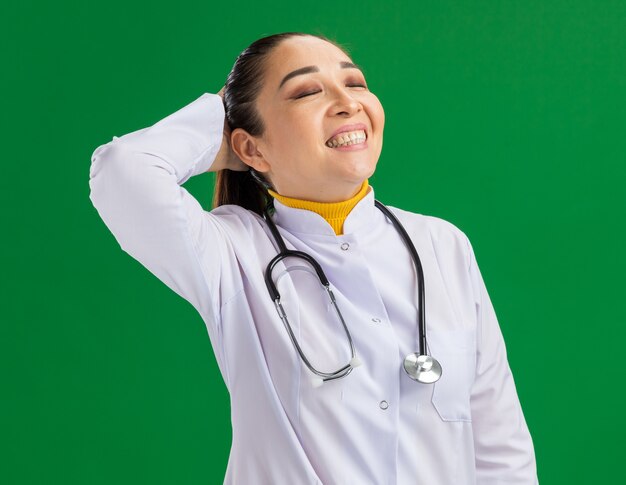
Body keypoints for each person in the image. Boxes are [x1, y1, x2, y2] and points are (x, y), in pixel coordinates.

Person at [89, 32, 538, 485]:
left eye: (356, 84)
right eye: (307, 91)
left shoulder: (442, 245)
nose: (348, 103)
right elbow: (122, 172)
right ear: (250, 148)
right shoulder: (232, 250)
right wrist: (215, 123)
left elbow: (501, 447)